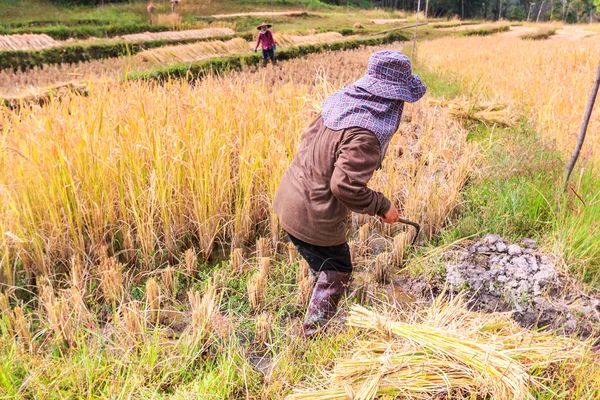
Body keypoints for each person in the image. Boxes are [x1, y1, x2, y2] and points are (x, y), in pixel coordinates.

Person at [273, 50, 427, 338]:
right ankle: (312, 333)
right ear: (392, 99)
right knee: (338, 268)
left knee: (320, 260)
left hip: (288, 198)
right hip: (312, 215)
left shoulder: (341, 103)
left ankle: (316, 282)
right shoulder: (366, 134)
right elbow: (344, 187)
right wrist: (382, 206)